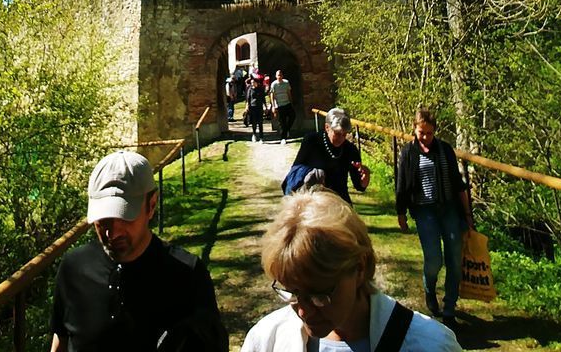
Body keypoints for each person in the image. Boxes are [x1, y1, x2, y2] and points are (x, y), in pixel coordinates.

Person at [241, 187, 461, 351]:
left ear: (360, 267)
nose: (304, 311)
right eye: (293, 292)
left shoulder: (430, 345)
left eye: (319, 295)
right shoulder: (266, 341)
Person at [50, 150, 226, 351]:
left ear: (151, 205)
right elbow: (61, 338)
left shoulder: (187, 276)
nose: (113, 232)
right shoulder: (74, 268)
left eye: (125, 216)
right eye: (103, 219)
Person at [395, 109, 473, 325]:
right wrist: (401, 212)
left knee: (454, 260)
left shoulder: (445, 150)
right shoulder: (408, 153)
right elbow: (401, 184)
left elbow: (458, 184)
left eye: (429, 133)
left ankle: (449, 309)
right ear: (415, 129)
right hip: (424, 210)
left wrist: (467, 215)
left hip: (449, 208)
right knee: (434, 259)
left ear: (435, 131)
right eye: (422, 133)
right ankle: (429, 289)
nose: (426, 137)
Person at [290, 107, 370, 203]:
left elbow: (359, 186)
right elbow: (295, 171)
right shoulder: (311, 141)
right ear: (327, 127)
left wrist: (366, 175)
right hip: (313, 200)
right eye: (337, 133)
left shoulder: (350, 149)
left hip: (339, 201)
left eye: (344, 134)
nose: (341, 138)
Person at [270, 70, 295, 143]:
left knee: (293, 116)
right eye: (278, 75)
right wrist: (273, 106)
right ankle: (283, 138)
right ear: (276, 76)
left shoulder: (286, 83)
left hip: (287, 103)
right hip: (279, 105)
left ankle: (287, 130)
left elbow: (289, 93)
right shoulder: (274, 84)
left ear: (282, 76)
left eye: (280, 75)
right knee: (282, 122)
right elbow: (272, 95)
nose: (279, 77)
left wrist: (291, 102)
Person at [246, 70, 268, 142]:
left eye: (253, 82)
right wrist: (247, 107)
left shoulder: (260, 89)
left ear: (256, 82)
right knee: (254, 122)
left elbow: (263, 99)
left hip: (259, 107)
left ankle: (261, 137)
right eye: (251, 83)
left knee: (260, 122)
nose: (252, 84)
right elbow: (248, 99)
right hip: (252, 107)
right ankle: (254, 134)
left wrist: (265, 106)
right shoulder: (249, 90)